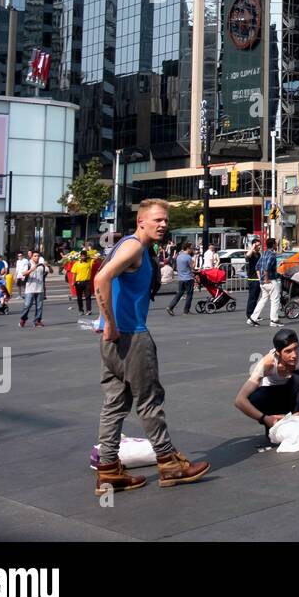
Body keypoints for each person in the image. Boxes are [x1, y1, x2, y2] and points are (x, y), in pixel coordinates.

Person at [91, 199, 210, 495]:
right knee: (149, 400)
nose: (163, 224)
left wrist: (107, 326)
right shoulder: (133, 247)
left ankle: (107, 470)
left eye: (166, 220)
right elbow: (101, 278)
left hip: (113, 341)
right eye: (157, 220)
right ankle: (169, 462)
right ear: (141, 222)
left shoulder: (133, 248)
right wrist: (109, 321)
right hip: (130, 336)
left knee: (115, 404)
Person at [233, 329, 299, 436]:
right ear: (278, 353)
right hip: (273, 399)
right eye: (288, 351)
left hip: (294, 399)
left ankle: (296, 425)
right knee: (254, 397)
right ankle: (273, 424)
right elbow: (239, 400)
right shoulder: (267, 364)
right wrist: (265, 418)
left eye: (296, 349)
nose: (294, 355)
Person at [250, 238, 282, 327]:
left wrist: (261, 279)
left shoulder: (263, 253)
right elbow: (267, 268)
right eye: (275, 244)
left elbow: (257, 267)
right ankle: (274, 320)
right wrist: (266, 279)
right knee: (275, 300)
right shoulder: (272, 254)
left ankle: (252, 318)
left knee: (263, 300)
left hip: (262, 282)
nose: (276, 245)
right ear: (273, 245)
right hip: (270, 280)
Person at [18, 251, 51, 327]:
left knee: (39, 306)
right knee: (27, 305)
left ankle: (37, 321)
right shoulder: (28, 264)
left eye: (38, 256)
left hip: (40, 288)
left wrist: (48, 265)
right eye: (35, 256)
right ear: (32, 257)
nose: (37, 257)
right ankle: (23, 319)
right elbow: (23, 273)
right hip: (30, 288)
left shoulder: (41, 265)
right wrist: (31, 270)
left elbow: (50, 271)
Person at [166, 243, 197, 316]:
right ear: (188, 248)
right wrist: (194, 260)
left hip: (181, 278)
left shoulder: (179, 256)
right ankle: (186, 311)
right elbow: (192, 267)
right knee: (189, 294)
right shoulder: (188, 257)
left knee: (180, 293)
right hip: (188, 278)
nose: (192, 250)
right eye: (191, 248)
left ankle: (170, 307)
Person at [244, 240, 261, 326]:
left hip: (258, 279)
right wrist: (252, 247)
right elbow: (247, 256)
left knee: (256, 298)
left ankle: (254, 315)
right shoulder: (251, 254)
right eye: (257, 245)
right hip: (252, 279)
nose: (259, 247)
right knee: (252, 298)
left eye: (259, 245)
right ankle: (249, 314)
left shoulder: (259, 254)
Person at [71, 251, 94, 315]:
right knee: (79, 297)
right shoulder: (76, 263)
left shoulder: (89, 262)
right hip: (78, 282)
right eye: (82, 256)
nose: (83, 257)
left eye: (84, 256)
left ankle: (89, 310)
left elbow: (97, 258)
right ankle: (81, 310)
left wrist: (89, 257)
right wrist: (73, 282)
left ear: (86, 256)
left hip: (87, 282)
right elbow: (74, 274)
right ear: (80, 256)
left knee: (88, 297)